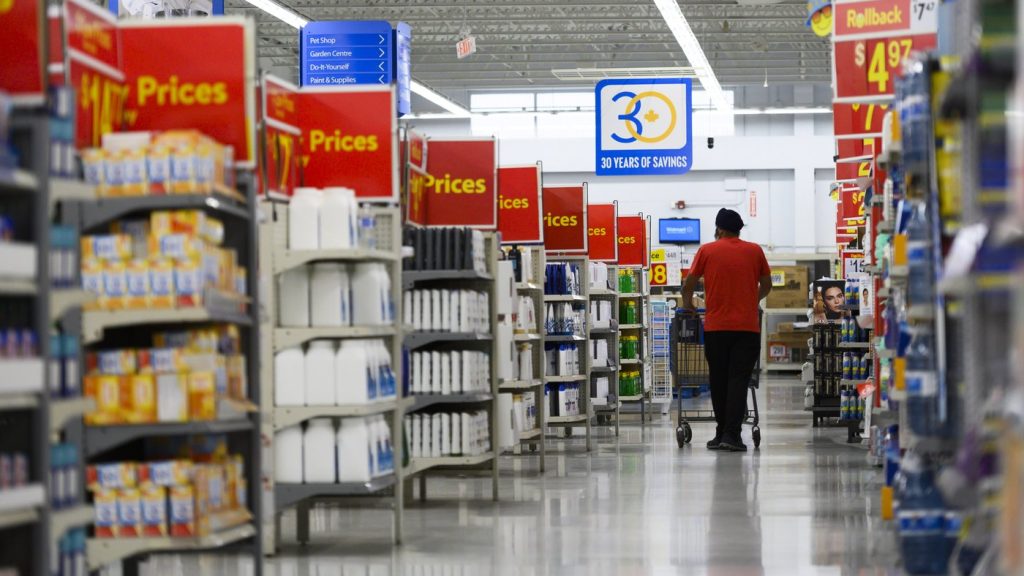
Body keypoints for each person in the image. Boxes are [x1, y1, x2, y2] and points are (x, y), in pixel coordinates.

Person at [681, 208, 772, 452]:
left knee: (718, 380)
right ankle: (730, 434)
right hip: (747, 329)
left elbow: (689, 282)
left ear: (719, 228)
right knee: (738, 380)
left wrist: (688, 304)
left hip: (716, 328)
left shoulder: (707, 250)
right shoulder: (755, 250)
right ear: (739, 229)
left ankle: (723, 432)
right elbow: (767, 284)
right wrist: (752, 299)